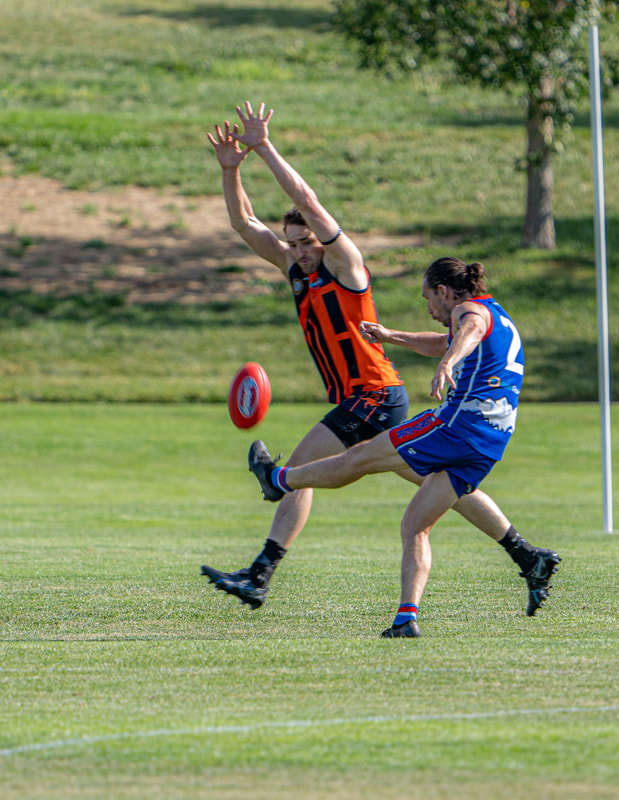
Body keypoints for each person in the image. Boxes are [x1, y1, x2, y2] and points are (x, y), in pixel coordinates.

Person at [245, 256, 561, 637]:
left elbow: (470, 330)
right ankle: (406, 619)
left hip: (457, 426)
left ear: (444, 292)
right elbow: (444, 339)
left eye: (429, 299)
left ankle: (278, 479)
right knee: (415, 525)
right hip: (491, 441)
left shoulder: (469, 312)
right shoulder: (497, 313)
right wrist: (392, 336)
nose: (429, 310)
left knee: (359, 457)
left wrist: (449, 361)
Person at [201, 100, 411, 608]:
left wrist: (264, 146)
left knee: (295, 473)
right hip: (369, 399)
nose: (297, 249)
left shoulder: (347, 267)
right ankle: (522, 550)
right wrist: (232, 172)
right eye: (293, 242)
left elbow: (307, 197)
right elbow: (246, 224)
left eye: (305, 241)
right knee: (436, 477)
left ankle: (260, 575)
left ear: (324, 239)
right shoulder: (296, 270)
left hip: (373, 394)